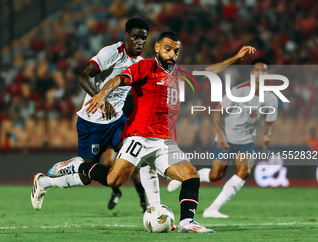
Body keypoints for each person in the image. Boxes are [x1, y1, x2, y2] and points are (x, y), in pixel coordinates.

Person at [76, 31, 256, 232]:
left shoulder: (180, 74)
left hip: (165, 142)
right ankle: (80, 167)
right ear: (158, 48)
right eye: (168, 49)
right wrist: (102, 94)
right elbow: (119, 79)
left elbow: (208, 73)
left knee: (191, 176)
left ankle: (187, 222)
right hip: (140, 137)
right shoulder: (145, 67)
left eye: (176, 50)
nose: (172, 54)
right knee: (113, 179)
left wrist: (236, 59)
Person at [31, 18, 160, 212]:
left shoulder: (140, 63)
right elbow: (82, 75)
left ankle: (154, 208)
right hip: (91, 123)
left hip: (117, 122)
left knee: (138, 156)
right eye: (135, 37)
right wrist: (100, 99)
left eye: (143, 38)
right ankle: (45, 182)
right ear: (126, 36)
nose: (140, 42)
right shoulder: (112, 53)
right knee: (85, 179)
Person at [167, 58, 278, 219]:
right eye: (258, 70)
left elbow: (269, 122)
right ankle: (187, 176)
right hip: (225, 137)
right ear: (252, 73)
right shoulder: (238, 91)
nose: (261, 74)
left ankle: (212, 209)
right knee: (216, 175)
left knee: (244, 172)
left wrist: (267, 135)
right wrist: (220, 135)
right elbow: (217, 112)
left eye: (264, 71)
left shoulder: (271, 98)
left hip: (246, 141)